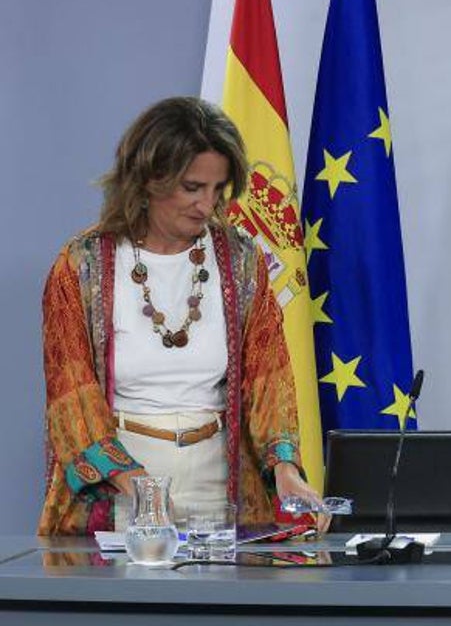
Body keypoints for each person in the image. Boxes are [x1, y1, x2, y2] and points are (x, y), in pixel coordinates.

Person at [38, 96, 326, 535]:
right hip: (122, 485)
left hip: (221, 482)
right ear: (148, 179)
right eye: (192, 188)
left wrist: (285, 467)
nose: (206, 205)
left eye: (217, 190)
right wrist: (136, 485)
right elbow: (70, 396)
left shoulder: (242, 261)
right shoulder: (82, 265)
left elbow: (271, 379)